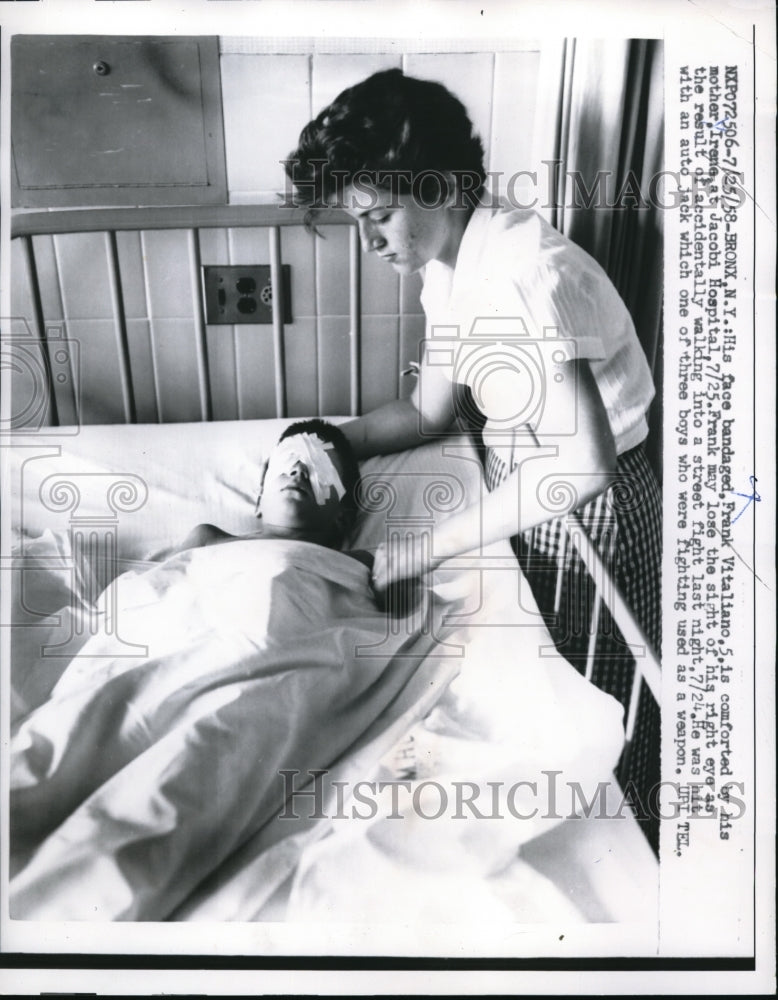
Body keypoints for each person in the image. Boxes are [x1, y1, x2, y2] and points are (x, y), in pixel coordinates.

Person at [285, 67, 662, 666]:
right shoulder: (449, 258)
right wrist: (320, 441)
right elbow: (424, 412)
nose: (368, 244)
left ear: (437, 189)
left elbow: (586, 465)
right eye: (355, 222)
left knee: (604, 716)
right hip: (524, 481)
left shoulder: (520, 272)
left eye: (379, 218)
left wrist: (420, 551)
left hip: (591, 513)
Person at [164, 418, 371, 569]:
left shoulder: (358, 564)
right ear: (259, 499)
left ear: (342, 518)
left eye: (319, 467)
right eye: (287, 460)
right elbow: (154, 587)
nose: (297, 471)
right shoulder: (207, 540)